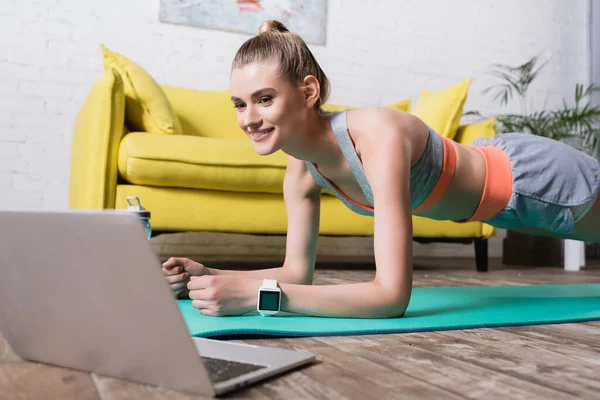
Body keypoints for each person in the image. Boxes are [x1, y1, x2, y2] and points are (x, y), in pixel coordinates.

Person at [162, 20, 600, 318]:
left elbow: (391, 296)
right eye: (239, 104)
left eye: (264, 99)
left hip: (535, 182)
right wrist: (210, 275)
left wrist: (260, 298)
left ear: (308, 91)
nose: (248, 119)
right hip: (492, 208)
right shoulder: (300, 174)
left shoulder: (377, 136)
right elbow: (296, 274)